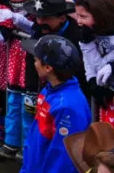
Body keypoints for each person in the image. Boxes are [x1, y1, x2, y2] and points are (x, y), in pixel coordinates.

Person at [18, 35, 91, 173]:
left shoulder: (68, 106)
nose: (34, 64)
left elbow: (63, 157)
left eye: (36, 60)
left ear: (48, 67)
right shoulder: (50, 89)